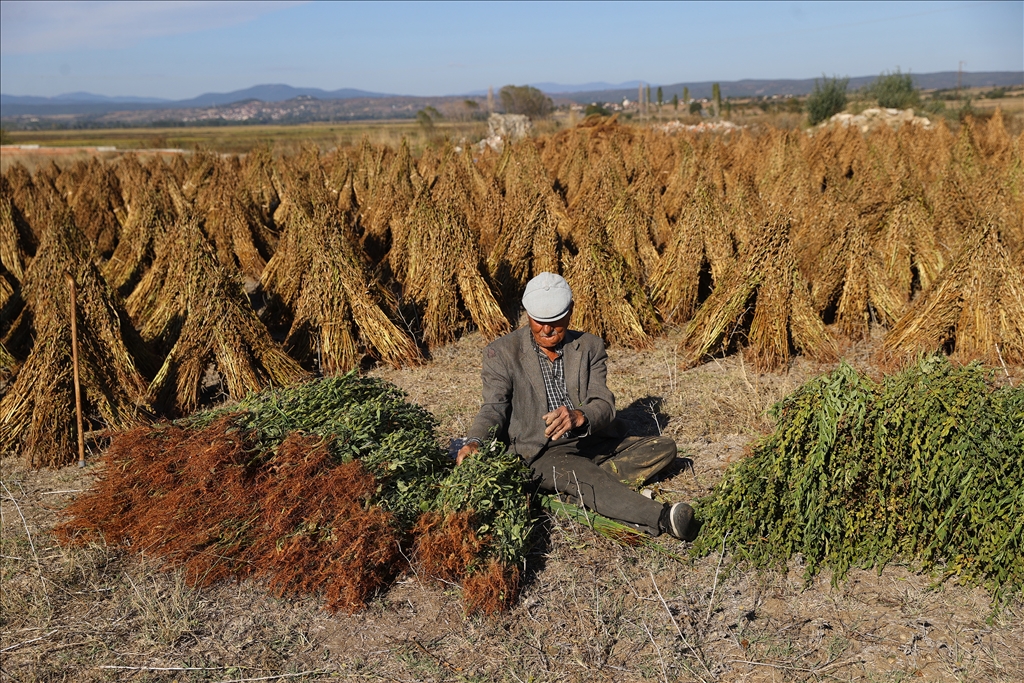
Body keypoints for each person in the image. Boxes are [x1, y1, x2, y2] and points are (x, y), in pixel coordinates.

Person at [456, 272, 699, 541]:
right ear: (527, 314)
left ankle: (577, 493)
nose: (546, 330)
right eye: (538, 321)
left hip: (590, 441)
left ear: (570, 311)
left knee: (663, 448)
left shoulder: (590, 346)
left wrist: (579, 416)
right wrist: (476, 441)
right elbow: (493, 407)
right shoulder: (501, 352)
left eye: (555, 321)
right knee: (584, 474)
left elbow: (603, 403)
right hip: (541, 452)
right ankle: (662, 517)